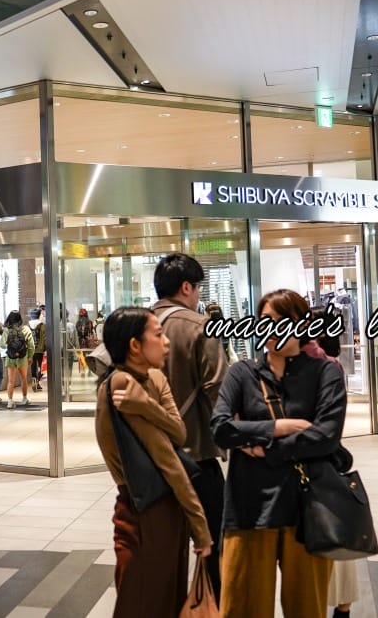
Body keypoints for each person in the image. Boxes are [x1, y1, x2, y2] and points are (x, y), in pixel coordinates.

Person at [210, 289, 346, 617]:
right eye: (264, 322)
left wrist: (261, 446)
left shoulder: (324, 373)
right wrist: (280, 428)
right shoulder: (241, 374)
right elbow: (221, 428)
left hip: (307, 508)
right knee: (242, 608)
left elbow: (326, 437)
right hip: (248, 509)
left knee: (307, 609)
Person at [94, 306, 212, 617]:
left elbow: (181, 433)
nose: (167, 342)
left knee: (166, 601)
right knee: (144, 602)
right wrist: (201, 526)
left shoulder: (154, 378)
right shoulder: (121, 384)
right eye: (158, 335)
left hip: (164, 510)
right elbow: (168, 459)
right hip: (145, 512)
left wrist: (146, 405)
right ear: (135, 345)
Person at [150, 252, 228, 597]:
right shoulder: (199, 327)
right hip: (195, 456)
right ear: (186, 287)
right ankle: (211, 604)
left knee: (162, 548)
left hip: (148, 459)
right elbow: (219, 390)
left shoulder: (133, 326)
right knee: (214, 539)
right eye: (197, 289)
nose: (198, 296)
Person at [305, 307, 358, 618]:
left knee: (335, 550)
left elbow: (325, 430)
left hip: (322, 470)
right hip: (310, 470)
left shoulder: (326, 367)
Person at [1, 310, 34, 409]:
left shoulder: (7, 330)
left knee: (11, 380)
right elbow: (31, 345)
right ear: (20, 319)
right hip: (22, 357)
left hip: (10, 357)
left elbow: (2, 344)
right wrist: (30, 356)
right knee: (23, 378)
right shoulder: (25, 329)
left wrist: (10, 347)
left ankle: (10, 402)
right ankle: (24, 399)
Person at [28, 307, 46, 390]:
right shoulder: (43, 325)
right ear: (39, 315)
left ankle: (34, 379)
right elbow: (45, 338)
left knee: (33, 366)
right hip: (40, 349)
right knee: (40, 366)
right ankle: (37, 381)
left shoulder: (27, 326)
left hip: (30, 350)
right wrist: (45, 348)